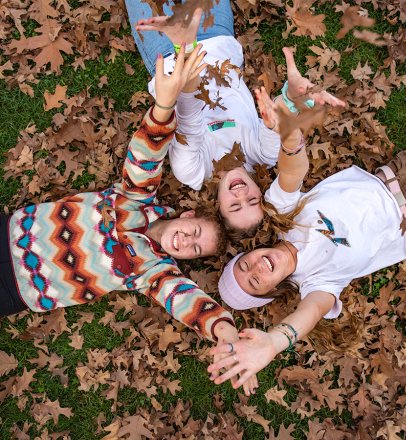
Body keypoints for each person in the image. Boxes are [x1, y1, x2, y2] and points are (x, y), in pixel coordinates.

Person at [2, 47, 259, 394]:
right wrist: (164, 106)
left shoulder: (151, 270)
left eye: (194, 250)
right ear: (186, 215)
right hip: (9, 232)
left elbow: (187, 302)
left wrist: (224, 331)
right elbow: (146, 155)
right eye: (194, 232)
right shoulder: (134, 199)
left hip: (17, 289)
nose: (186, 242)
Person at [207, 87, 406, 388]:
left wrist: (289, 136)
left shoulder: (281, 213)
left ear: (248, 253)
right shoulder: (315, 284)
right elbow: (310, 312)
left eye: (244, 266)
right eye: (254, 281)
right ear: (271, 290)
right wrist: (275, 342)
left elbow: (293, 171)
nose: (257, 268)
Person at [125, 0, 345, 232]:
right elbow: (276, 116)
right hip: (217, 34)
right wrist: (291, 96)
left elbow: (187, 115)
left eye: (234, 206)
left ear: (218, 207)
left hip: (168, 48)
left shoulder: (193, 172)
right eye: (251, 200)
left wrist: (185, 48)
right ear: (260, 192)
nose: (241, 194)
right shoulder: (263, 155)